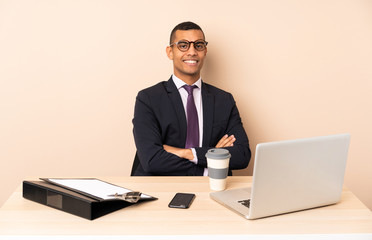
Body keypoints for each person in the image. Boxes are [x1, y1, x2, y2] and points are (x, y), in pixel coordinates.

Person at [132, 21, 251, 176]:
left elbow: (242, 155)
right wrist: (210, 161)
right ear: (170, 52)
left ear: (205, 51)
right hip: (161, 188)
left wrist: (188, 153)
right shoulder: (148, 99)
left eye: (199, 45)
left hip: (210, 189)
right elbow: (152, 160)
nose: (192, 52)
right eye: (183, 45)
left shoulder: (224, 100)